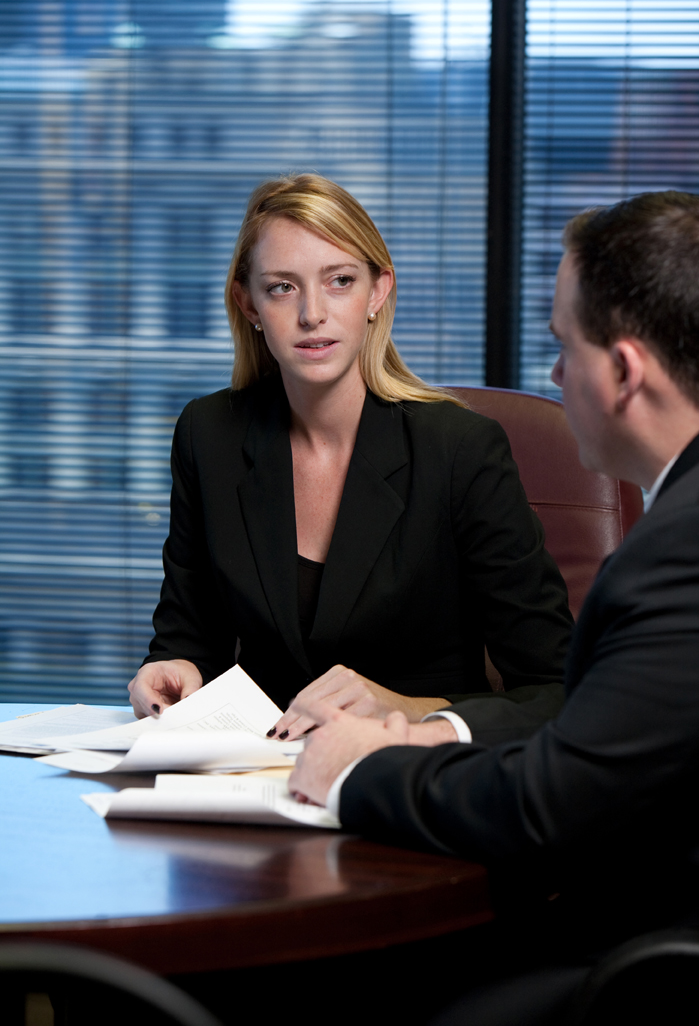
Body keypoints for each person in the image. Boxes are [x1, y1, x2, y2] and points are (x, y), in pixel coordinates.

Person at [288, 190, 699, 1023]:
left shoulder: (677, 555)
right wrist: (435, 733)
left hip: (641, 964)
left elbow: (549, 805)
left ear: (623, 371)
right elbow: (599, 734)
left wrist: (362, 767)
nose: (552, 375)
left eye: (563, 347)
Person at [128, 173, 571, 731]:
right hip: (256, 775)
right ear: (249, 304)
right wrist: (171, 671)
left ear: (378, 291)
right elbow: (188, 635)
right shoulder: (209, 433)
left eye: (339, 280)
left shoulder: (459, 450)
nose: (312, 313)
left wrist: (405, 710)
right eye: (282, 287)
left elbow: (555, 687)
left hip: (411, 780)